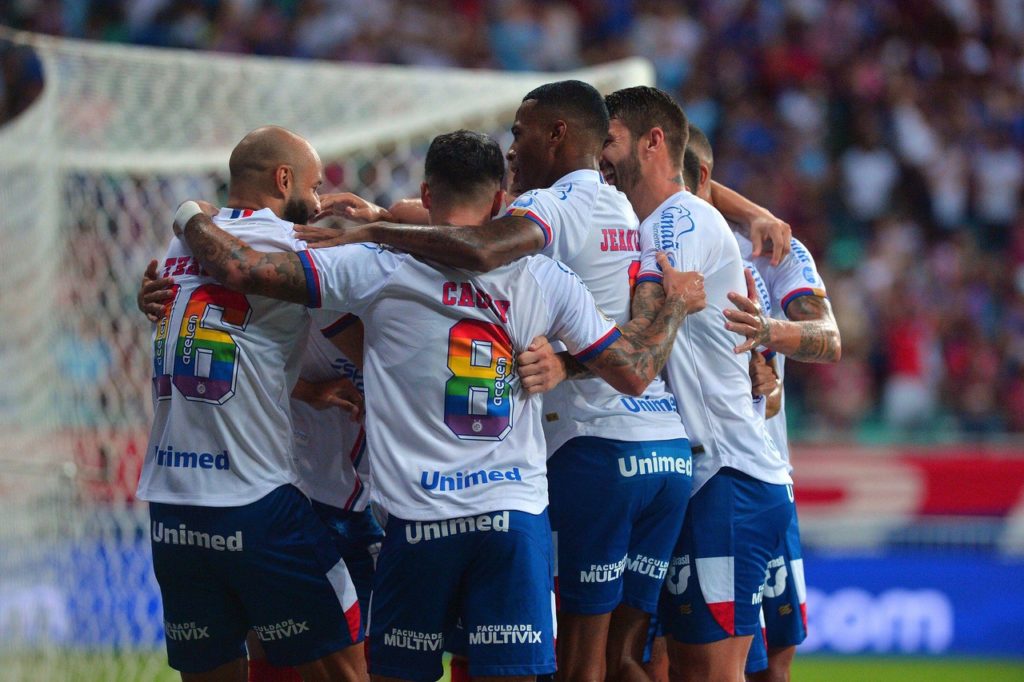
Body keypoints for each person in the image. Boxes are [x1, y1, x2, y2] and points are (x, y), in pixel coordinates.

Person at [294, 79, 790, 682]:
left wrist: (370, 230)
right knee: (632, 657)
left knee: (580, 664)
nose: (512, 147)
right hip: (668, 451)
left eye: (520, 132)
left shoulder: (550, 207)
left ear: (557, 135)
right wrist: (753, 210)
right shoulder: (630, 205)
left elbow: (479, 245)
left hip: (590, 451)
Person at [171, 128, 708, 682]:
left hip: (418, 526)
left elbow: (240, 269)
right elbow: (636, 371)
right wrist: (673, 307)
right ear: (501, 200)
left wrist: (188, 228)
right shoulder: (548, 278)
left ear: (426, 196)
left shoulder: (373, 268)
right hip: (512, 522)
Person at [139, 126, 368, 682]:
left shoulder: (181, 246)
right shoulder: (292, 247)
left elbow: (222, 345)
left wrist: (307, 388)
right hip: (255, 500)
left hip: (171, 507)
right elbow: (373, 352)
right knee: (346, 666)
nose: (317, 203)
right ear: (283, 179)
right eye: (314, 187)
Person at [599, 86, 793, 682]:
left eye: (608, 141)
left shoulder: (677, 219)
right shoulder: (652, 220)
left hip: (727, 479)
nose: (598, 157)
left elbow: (656, 328)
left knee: (709, 674)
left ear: (653, 142)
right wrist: (751, 210)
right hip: (695, 481)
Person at [686, 124, 842, 682]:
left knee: (772, 664)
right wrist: (745, 204)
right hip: (691, 476)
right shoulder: (652, 239)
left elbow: (830, 338)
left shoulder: (771, 251)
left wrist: (769, 335)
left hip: (761, 472)